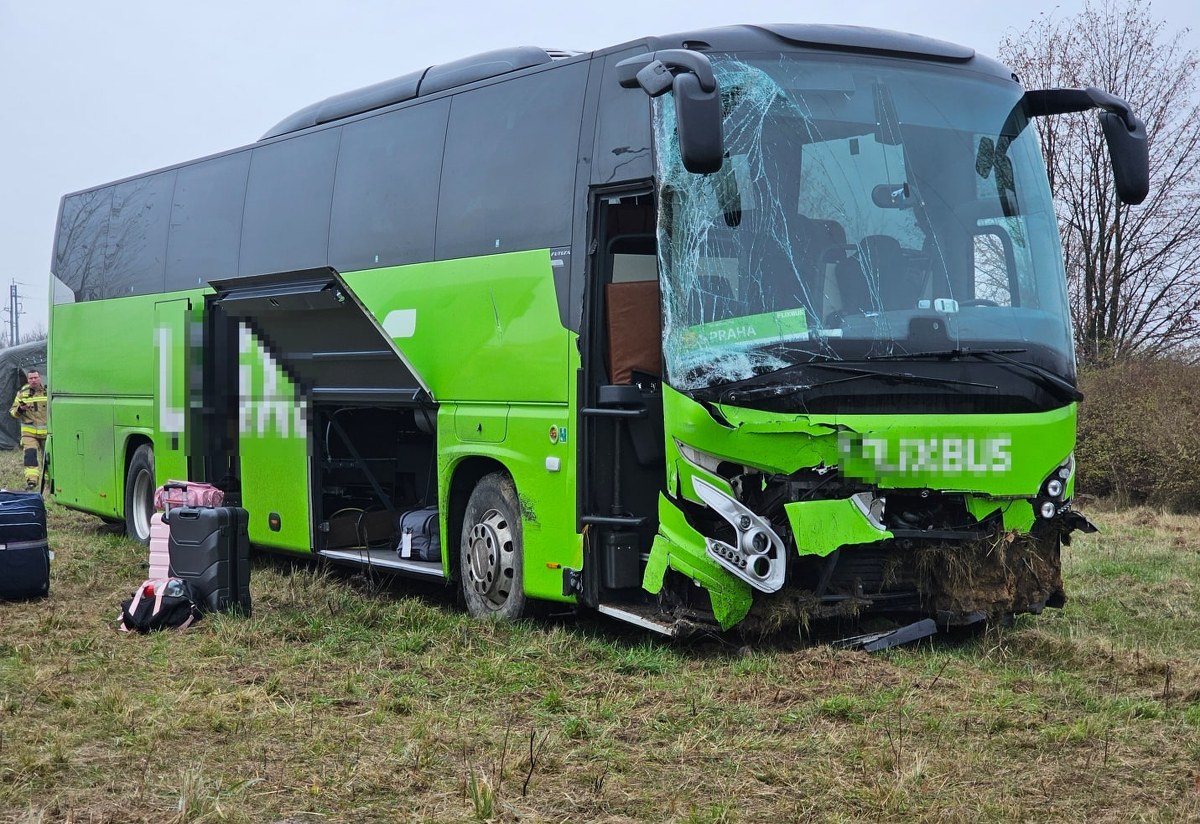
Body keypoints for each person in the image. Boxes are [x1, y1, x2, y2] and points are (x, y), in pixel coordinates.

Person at [10, 369, 48, 490]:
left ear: (40, 378)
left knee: (48, 459)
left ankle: (49, 481)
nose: (33, 380)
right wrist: (20, 409)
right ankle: (32, 481)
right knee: (30, 456)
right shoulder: (22, 393)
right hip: (29, 433)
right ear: (28, 379)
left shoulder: (48, 391)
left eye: (35, 378)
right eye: (31, 378)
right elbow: (12, 412)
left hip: (47, 433)